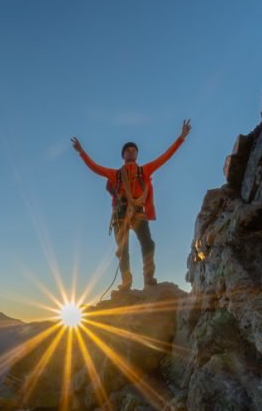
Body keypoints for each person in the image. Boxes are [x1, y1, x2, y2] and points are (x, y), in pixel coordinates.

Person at [72, 120, 192, 291]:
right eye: (128, 150)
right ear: (123, 155)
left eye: (134, 150)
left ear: (136, 154)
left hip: (138, 212)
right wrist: (82, 152)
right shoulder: (116, 174)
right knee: (123, 249)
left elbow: (165, 157)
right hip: (120, 213)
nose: (131, 152)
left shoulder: (145, 171)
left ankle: (148, 278)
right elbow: (95, 168)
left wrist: (181, 138)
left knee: (148, 243)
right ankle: (126, 282)